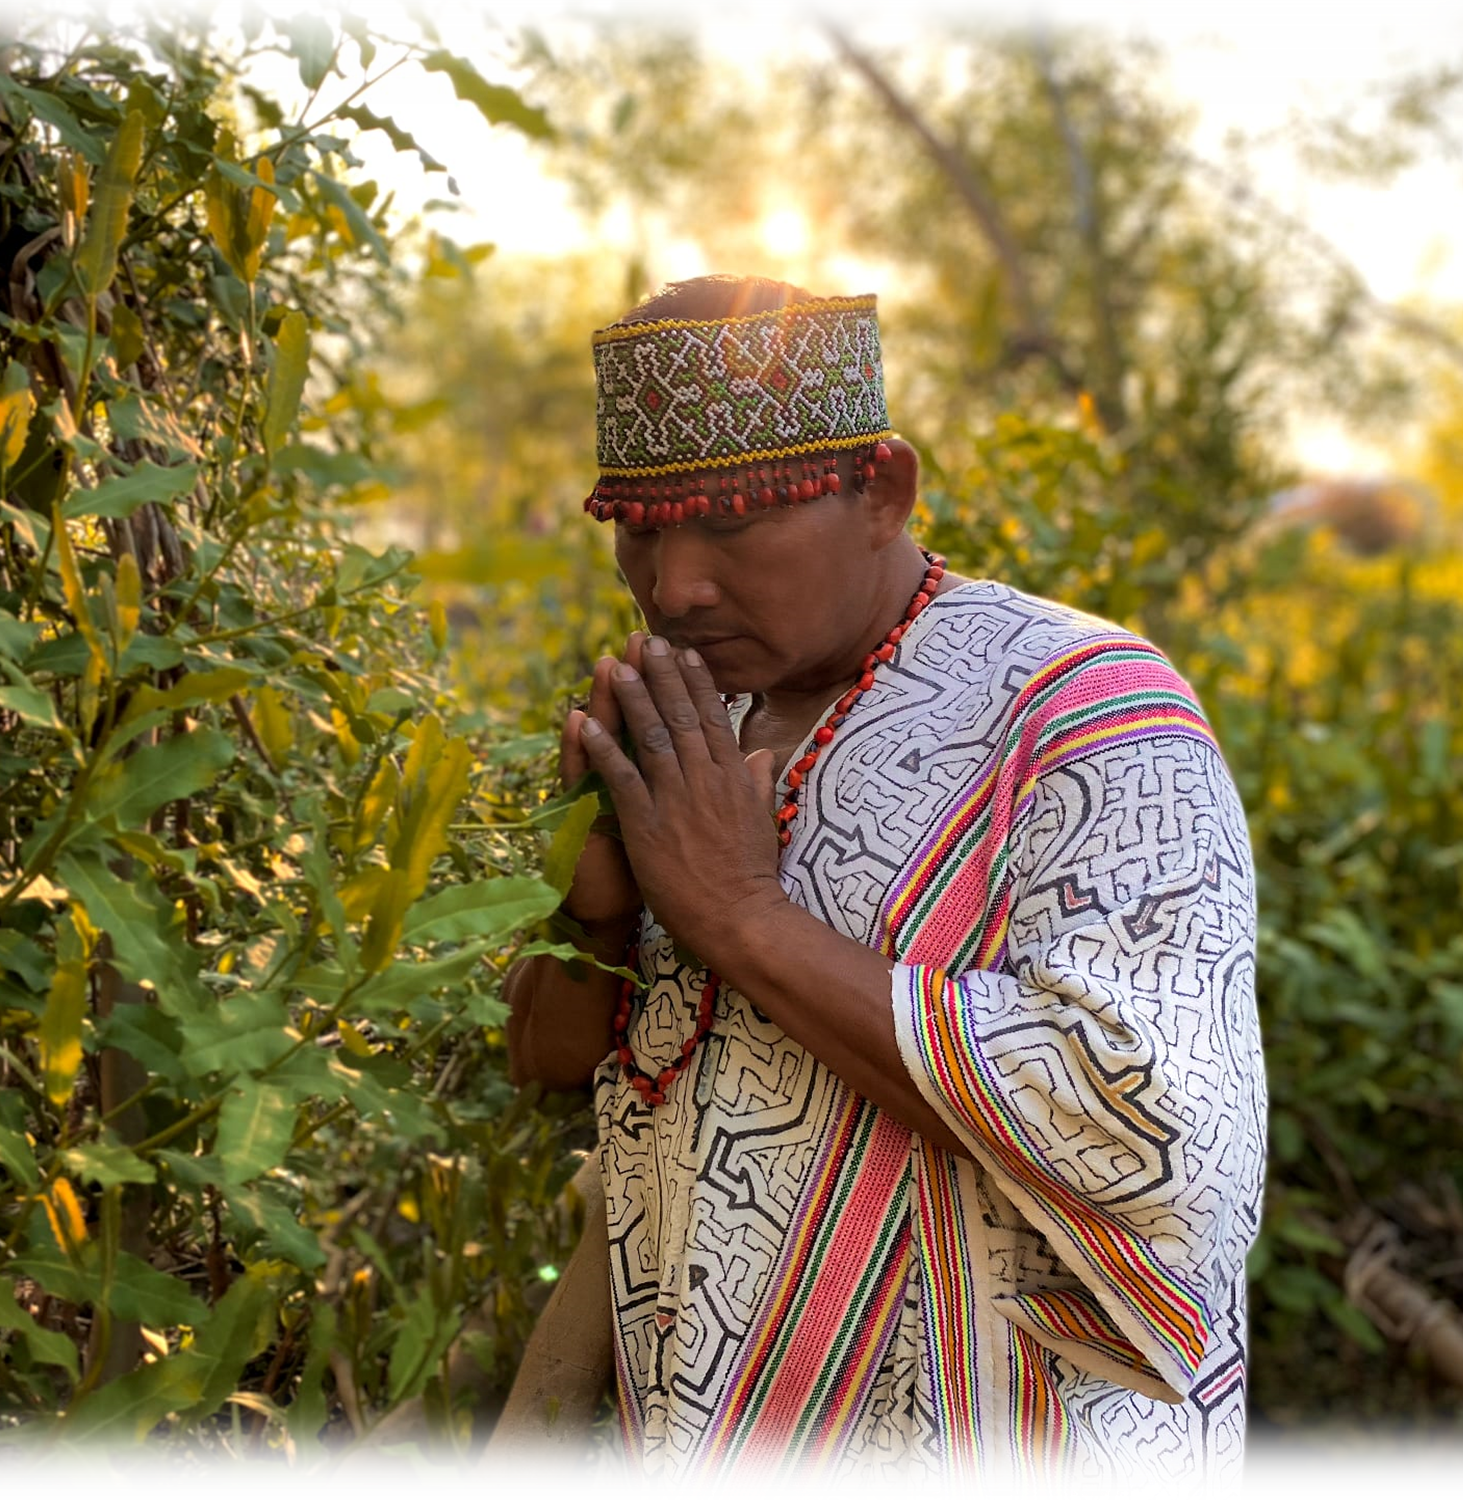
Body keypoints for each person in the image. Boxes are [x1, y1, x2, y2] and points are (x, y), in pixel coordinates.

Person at [503, 276, 1264, 1496]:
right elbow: (550, 1063)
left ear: (884, 490)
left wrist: (741, 918)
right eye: (639, 528)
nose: (674, 584)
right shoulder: (695, 719)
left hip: (993, 1456)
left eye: (734, 522)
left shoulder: (1087, 711)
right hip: (700, 1429)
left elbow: (1155, 1133)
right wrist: (595, 909)